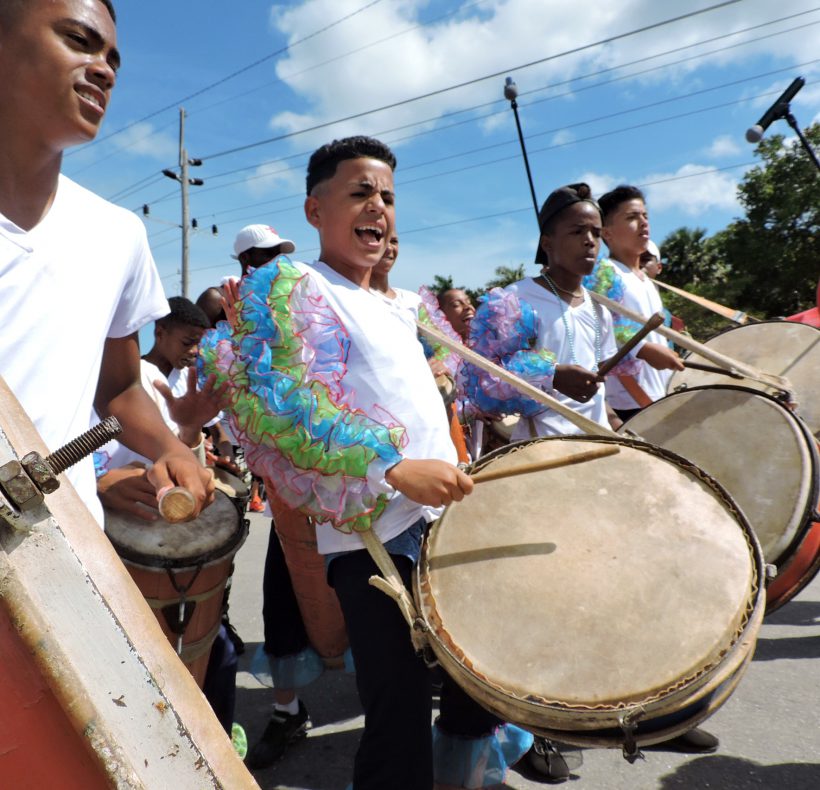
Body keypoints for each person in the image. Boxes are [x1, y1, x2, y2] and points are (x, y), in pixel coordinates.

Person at [200, 137, 537, 790]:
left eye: (386, 196)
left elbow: (456, 392)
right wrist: (392, 467)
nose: (377, 207)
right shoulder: (296, 286)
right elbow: (282, 408)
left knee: (476, 684)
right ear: (314, 209)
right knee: (398, 709)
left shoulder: (404, 306)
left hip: (446, 519)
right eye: (359, 192)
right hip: (373, 542)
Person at [0, 0, 212, 525]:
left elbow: (118, 390)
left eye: (113, 59)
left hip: (62, 563)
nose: (104, 70)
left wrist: (171, 448)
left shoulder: (118, 235)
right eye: (78, 40)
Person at [464, 183, 628, 441]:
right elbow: (482, 378)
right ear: (547, 243)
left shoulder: (600, 310)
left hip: (598, 445)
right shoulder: (513, 300)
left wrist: (618, 426)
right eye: (577, 231)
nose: (589, 241)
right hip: (542, 453)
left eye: (596, 233)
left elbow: (597, 396)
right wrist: (551, 375)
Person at [583, 186, 684, 422]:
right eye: (631, 217)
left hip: (660, 394)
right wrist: (643, 349)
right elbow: (601, 327)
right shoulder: (604, 272)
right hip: (630, 402)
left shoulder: (647, 281)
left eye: (645, 216)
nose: (643, 223)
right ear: (606, 233)